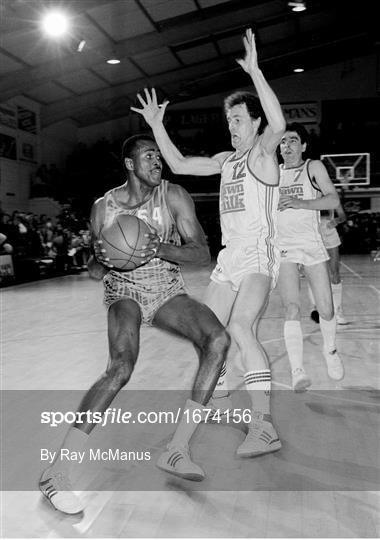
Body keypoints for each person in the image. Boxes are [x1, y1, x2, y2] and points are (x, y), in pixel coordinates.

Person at [39, 134, 230, 514]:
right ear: (130, 164)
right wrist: (102, 258)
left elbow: (202, 252)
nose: (157, 161)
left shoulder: (174, 195)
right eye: (148, 156)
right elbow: (95, 270)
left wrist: (158, 247)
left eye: (159, 156)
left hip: (166, 289)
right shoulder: (102, 207)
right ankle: (56, 472)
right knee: (120, 368)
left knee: (218, 340)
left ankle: (177, 450)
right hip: (123, 290)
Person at [131, 28, 285, 458]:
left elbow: (279, 123)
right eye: (229, 121)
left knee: (240, 327)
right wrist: (158, 125)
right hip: (229, 258)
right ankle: (215, 401)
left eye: (237, 120)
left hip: (258, 255)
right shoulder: (225, 161)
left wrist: (254, 72)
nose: (231, 126)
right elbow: (178, 162)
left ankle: (265, 427)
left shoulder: (261, 155)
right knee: (209, 335)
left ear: (253, 124)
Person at [276, 122, 345, 392]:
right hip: (283, 246)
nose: (287, 146)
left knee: (326, 309)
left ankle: (330, 351)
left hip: (311, 243)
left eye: (293, 140)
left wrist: (301, 203)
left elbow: (332, 200)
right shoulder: (272, 173)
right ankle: (297, 370)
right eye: (283, 142)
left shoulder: (312, 167)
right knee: (291, 307)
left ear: (303, 146)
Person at [309, 201, 348, 325]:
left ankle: (338, 310)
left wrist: (335, 221)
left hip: (329, 233)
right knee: (314, 274)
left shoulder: (331, 196)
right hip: (313, 233)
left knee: (334, 274)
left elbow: (342, 216)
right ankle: (317, 308)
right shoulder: (310, 194)